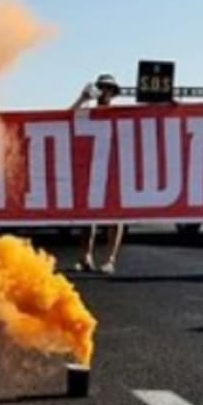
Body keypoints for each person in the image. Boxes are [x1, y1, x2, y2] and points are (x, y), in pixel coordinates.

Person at [71, 73, 124, 274]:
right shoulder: (88, 112)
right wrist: (82, 99)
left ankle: (110, 259)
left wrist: (170, 104)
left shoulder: (121, 114)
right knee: (88, 215)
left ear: (114, 92)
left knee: (116, 216)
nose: (105, 91)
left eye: (109, 88)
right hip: (91, 168)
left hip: (115, 169)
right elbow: (64, 121)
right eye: (102, 87)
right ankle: (85, 256)